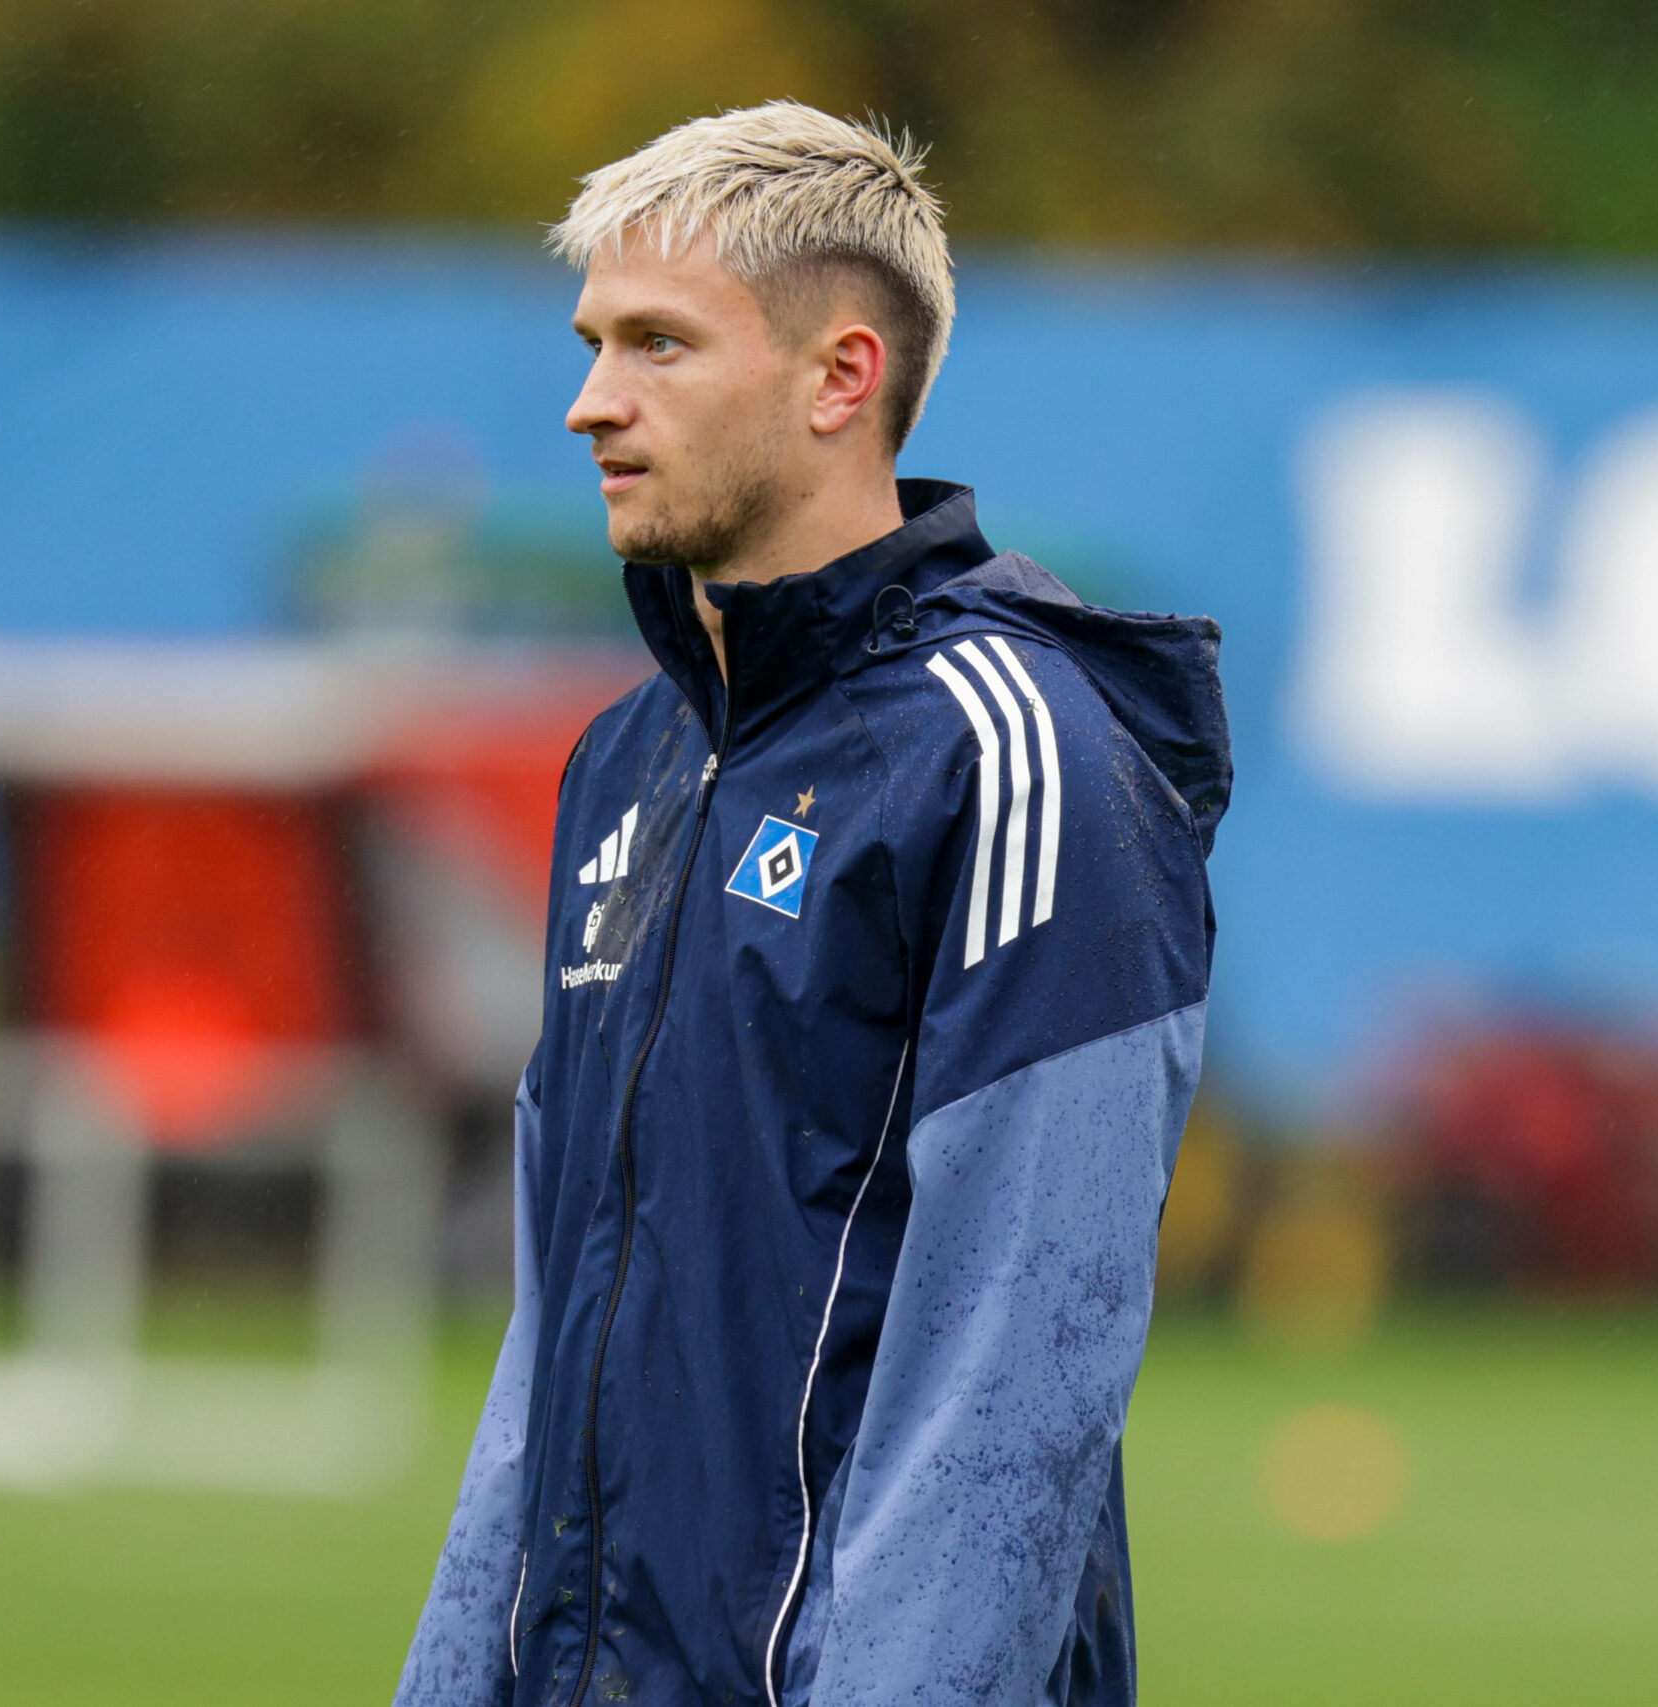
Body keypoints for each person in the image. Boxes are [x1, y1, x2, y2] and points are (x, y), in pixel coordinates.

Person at [394, 102, 1229, 1707]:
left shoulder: (1013, 755)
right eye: (590, 343)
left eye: (657, 346)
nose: (589, 404)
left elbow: (1017, 1377)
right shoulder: (624, 761)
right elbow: (552, 1323)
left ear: (841, 378)